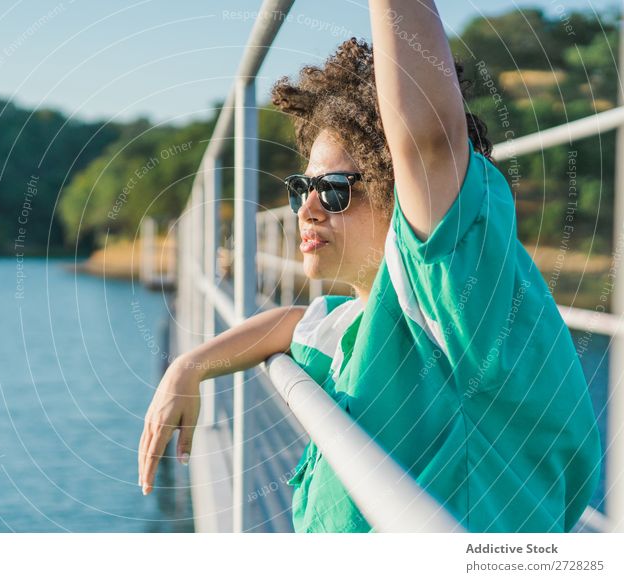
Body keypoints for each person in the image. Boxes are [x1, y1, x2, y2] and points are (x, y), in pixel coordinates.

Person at [138, 0, 602, 533]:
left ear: (398, 190)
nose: (307, 208)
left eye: (334, 190)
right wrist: (189, 365)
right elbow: (294, 325)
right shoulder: (365, 319)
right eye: (301, 188)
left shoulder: (460, 303)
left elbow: (427, 143)